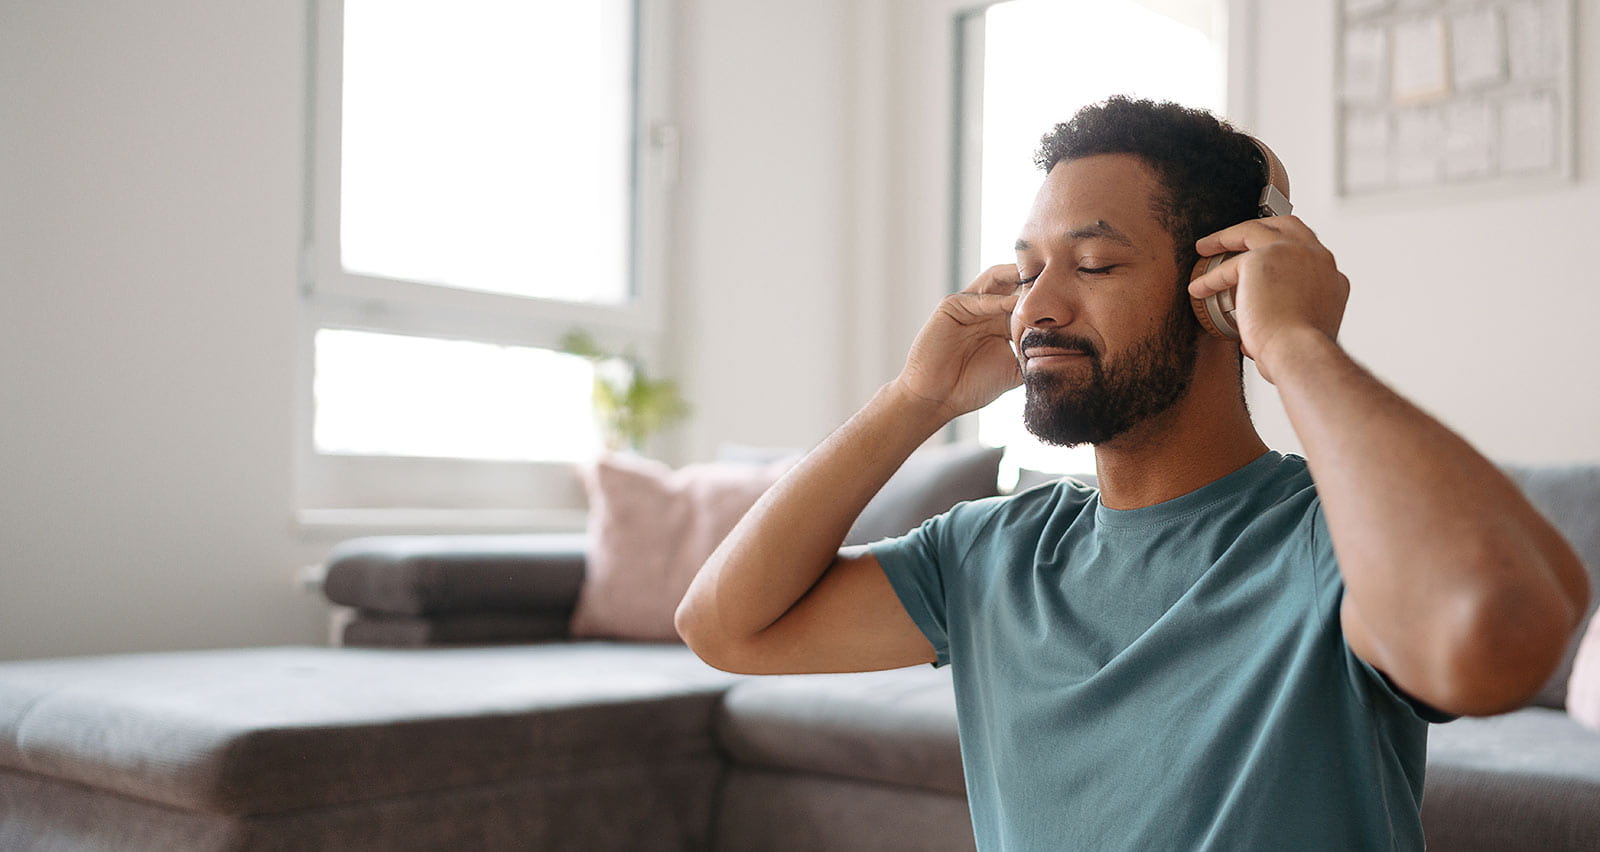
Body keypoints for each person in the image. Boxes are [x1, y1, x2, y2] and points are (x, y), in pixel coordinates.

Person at [674, 96, 1588, 850]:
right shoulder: (993, 554)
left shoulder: (1332, 538)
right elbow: (723, 626)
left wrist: (1298, 345)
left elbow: (1502, 634)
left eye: (1096, 262)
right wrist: (914, 397)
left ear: (1221, 289)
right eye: (1027, 271)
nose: (1036, 306)